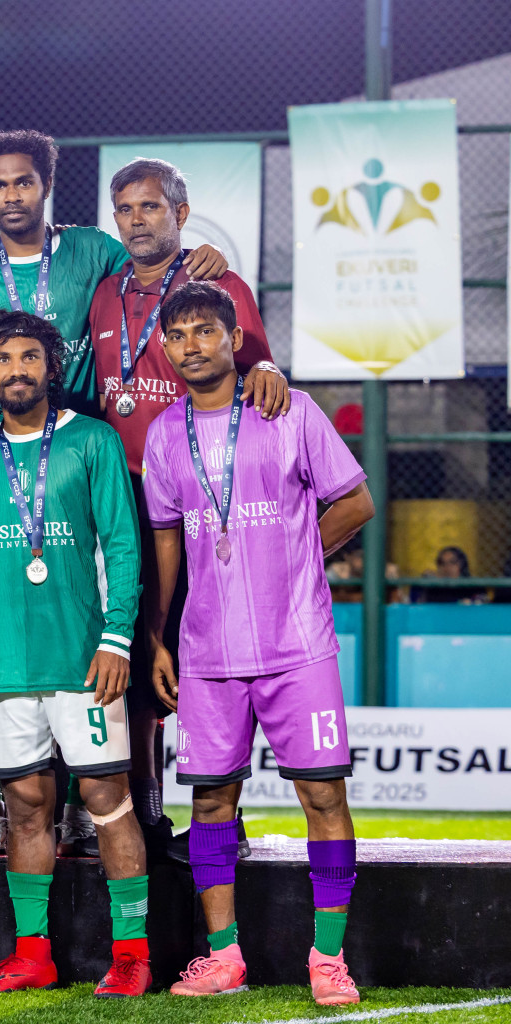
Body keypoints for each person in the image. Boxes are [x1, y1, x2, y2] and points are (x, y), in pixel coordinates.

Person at [0, 129, 231, 859]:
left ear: (46, 185)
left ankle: (99, 804)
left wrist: (201, 261)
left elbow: (158, 274)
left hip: (82, 464)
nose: (12, 197)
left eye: (24, 182)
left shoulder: (94, 249)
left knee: (97, 637)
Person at [142, 283, 374, 1006]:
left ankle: (328, 959)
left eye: (205, 331)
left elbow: (356, 501)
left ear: (234, 339)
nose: (191, 346)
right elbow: (166, 543)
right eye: (177, 335)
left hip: (296, 642)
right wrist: (159, 635)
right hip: (208, 652)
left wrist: (302, 555)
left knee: (322, 794)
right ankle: (223, 958)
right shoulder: (161, 434)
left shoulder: (287, 407)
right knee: (212, 804)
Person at [88, 157, 289, 856]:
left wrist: (266, 366)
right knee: (135, 658)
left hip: (203, 502)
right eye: (126, 210)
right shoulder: (106, 291)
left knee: (203, 658)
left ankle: (217, 815)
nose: (138, 221)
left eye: (151, 207)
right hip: (122, 504)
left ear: (181, 209)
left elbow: (258, 368)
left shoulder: (218, 282)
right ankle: (143, 810)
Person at [0, 310, 152, 998]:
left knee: (107, 798)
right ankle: (32, 953)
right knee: (24, 807)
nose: (17, 370)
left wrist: (116, 639)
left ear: (52, 366)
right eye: (4, 360)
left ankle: (132, 954)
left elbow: (124, 545)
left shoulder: (93, 442)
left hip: (84, 659)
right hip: (9, 660)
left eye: (29, 358)